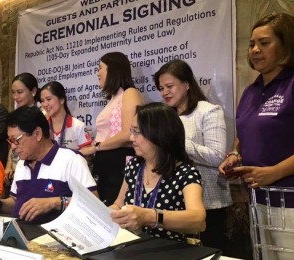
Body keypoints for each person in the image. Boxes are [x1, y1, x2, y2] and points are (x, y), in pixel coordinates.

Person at [218, 13, 294, 260]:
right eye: (251, 44)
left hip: (289, 201)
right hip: (257, 199)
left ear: (286, 45)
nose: (255, 50)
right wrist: (234, 154)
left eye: (264, 43)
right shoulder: (251, 90)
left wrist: (275, 172)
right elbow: (244, 132)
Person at [154, 60, 232, 251]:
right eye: (161, 88)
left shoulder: (208, 111)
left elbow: (217, 156)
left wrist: (176, 141)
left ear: (187, 84)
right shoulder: (165, 117)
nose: (165, 92)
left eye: (170, 86)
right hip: (172, 202)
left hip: (208, 203)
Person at [0, 106, 97, 224]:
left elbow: (93, 203)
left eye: (16, 140)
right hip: (20, 234)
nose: (13, 146)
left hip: (54, 239)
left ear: (37, 134)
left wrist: (54, 203)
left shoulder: (71, 160)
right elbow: (17, 202)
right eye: (10, 141)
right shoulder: (21, 163)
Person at [110, 102, 206, 243]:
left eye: (137, 132)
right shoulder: (134, 166)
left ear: (158, 134)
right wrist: (104, 213)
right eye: (132, 131)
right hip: (130, 249)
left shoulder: (185, 174)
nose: (131, 138)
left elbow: (199, 220)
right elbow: (118, 204)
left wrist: (150, 217)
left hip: (168, 251)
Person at [80, 51, 144, 206]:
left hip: (119, 160)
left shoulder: (130, 93)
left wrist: (95, 148)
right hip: (105, 161)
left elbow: (129, 133)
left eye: (100, 68)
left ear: (113, 69)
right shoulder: (113, 99)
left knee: (116, 208)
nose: (97, 73)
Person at [4, 72, 41, 196]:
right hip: (16, 169)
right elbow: (13, 141)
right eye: (13, 92)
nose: (15, 96)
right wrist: (9, 166)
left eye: (20, 92)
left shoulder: (41, 116)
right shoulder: (16, 114)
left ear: (33, 91)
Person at [40, 81, 92, 150]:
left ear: (61, 100)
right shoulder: (41, 128)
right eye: (42, 101)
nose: (45, 104)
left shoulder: (78, 126)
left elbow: (88, 154)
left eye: (49, 99)